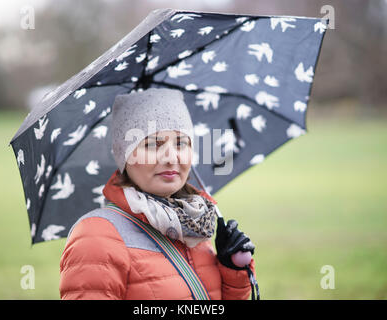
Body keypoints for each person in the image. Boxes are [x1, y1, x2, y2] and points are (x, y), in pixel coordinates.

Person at [59, 88, 257, 300]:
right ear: (125, 157)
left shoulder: (195, 225)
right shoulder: (96, 237)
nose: (172, 157)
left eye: (181, 143)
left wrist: (232, 271)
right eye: (153, 144)